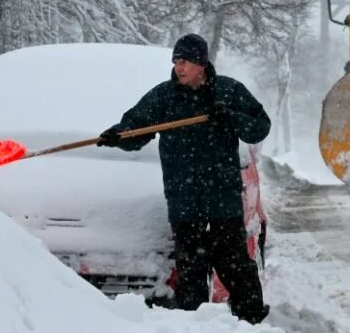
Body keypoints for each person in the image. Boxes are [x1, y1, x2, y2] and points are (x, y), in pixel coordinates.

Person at [97, 33, 271, 325]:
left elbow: (259, 126)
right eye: (176, 61)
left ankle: (250, 322)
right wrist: (117, 136)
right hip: (184, 200)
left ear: (201, 64)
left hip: (222, 199)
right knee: (190, 271)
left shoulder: (228, 91)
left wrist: (230, 117)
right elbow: (135, 129)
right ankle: (192, 325)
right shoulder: (164, 97)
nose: (179, 67)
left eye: (186, 61)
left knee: (235, 266)